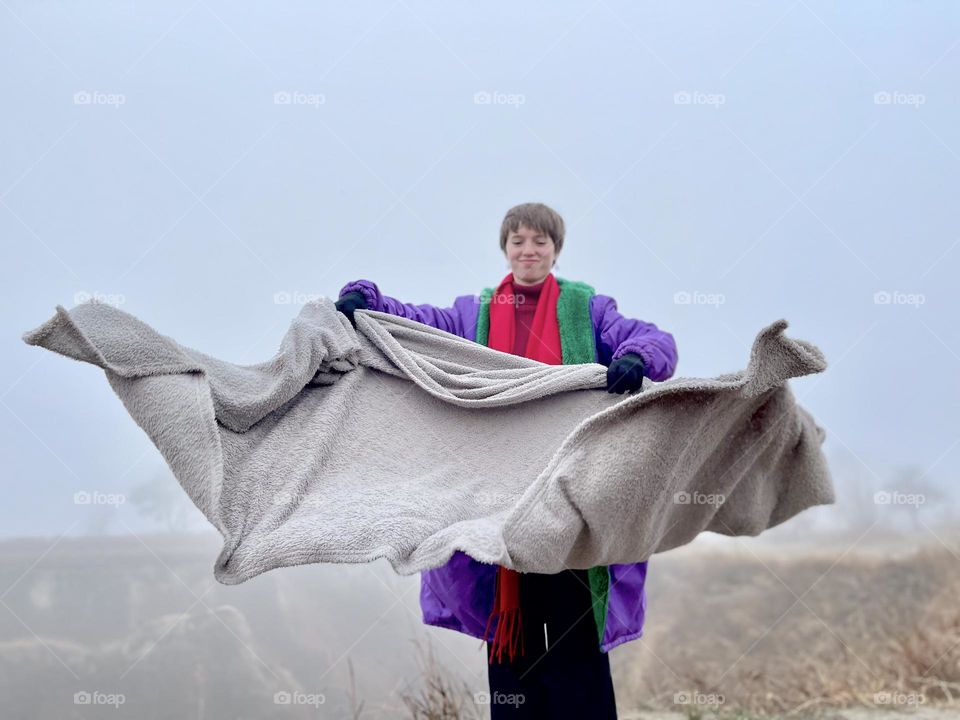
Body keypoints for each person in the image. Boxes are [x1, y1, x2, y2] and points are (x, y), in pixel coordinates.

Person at [335, 202, 678, 719]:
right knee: (511, 646)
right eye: (518, 241)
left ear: (555, 250)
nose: (528, 250)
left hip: (571, 508)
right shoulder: (472, 314)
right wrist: (369, 299)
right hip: (497, 511)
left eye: (540, 241)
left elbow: (652, 339)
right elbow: (418, 323)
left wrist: (637, 360)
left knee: (574, 640)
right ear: (505, 249)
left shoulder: (588, 309)